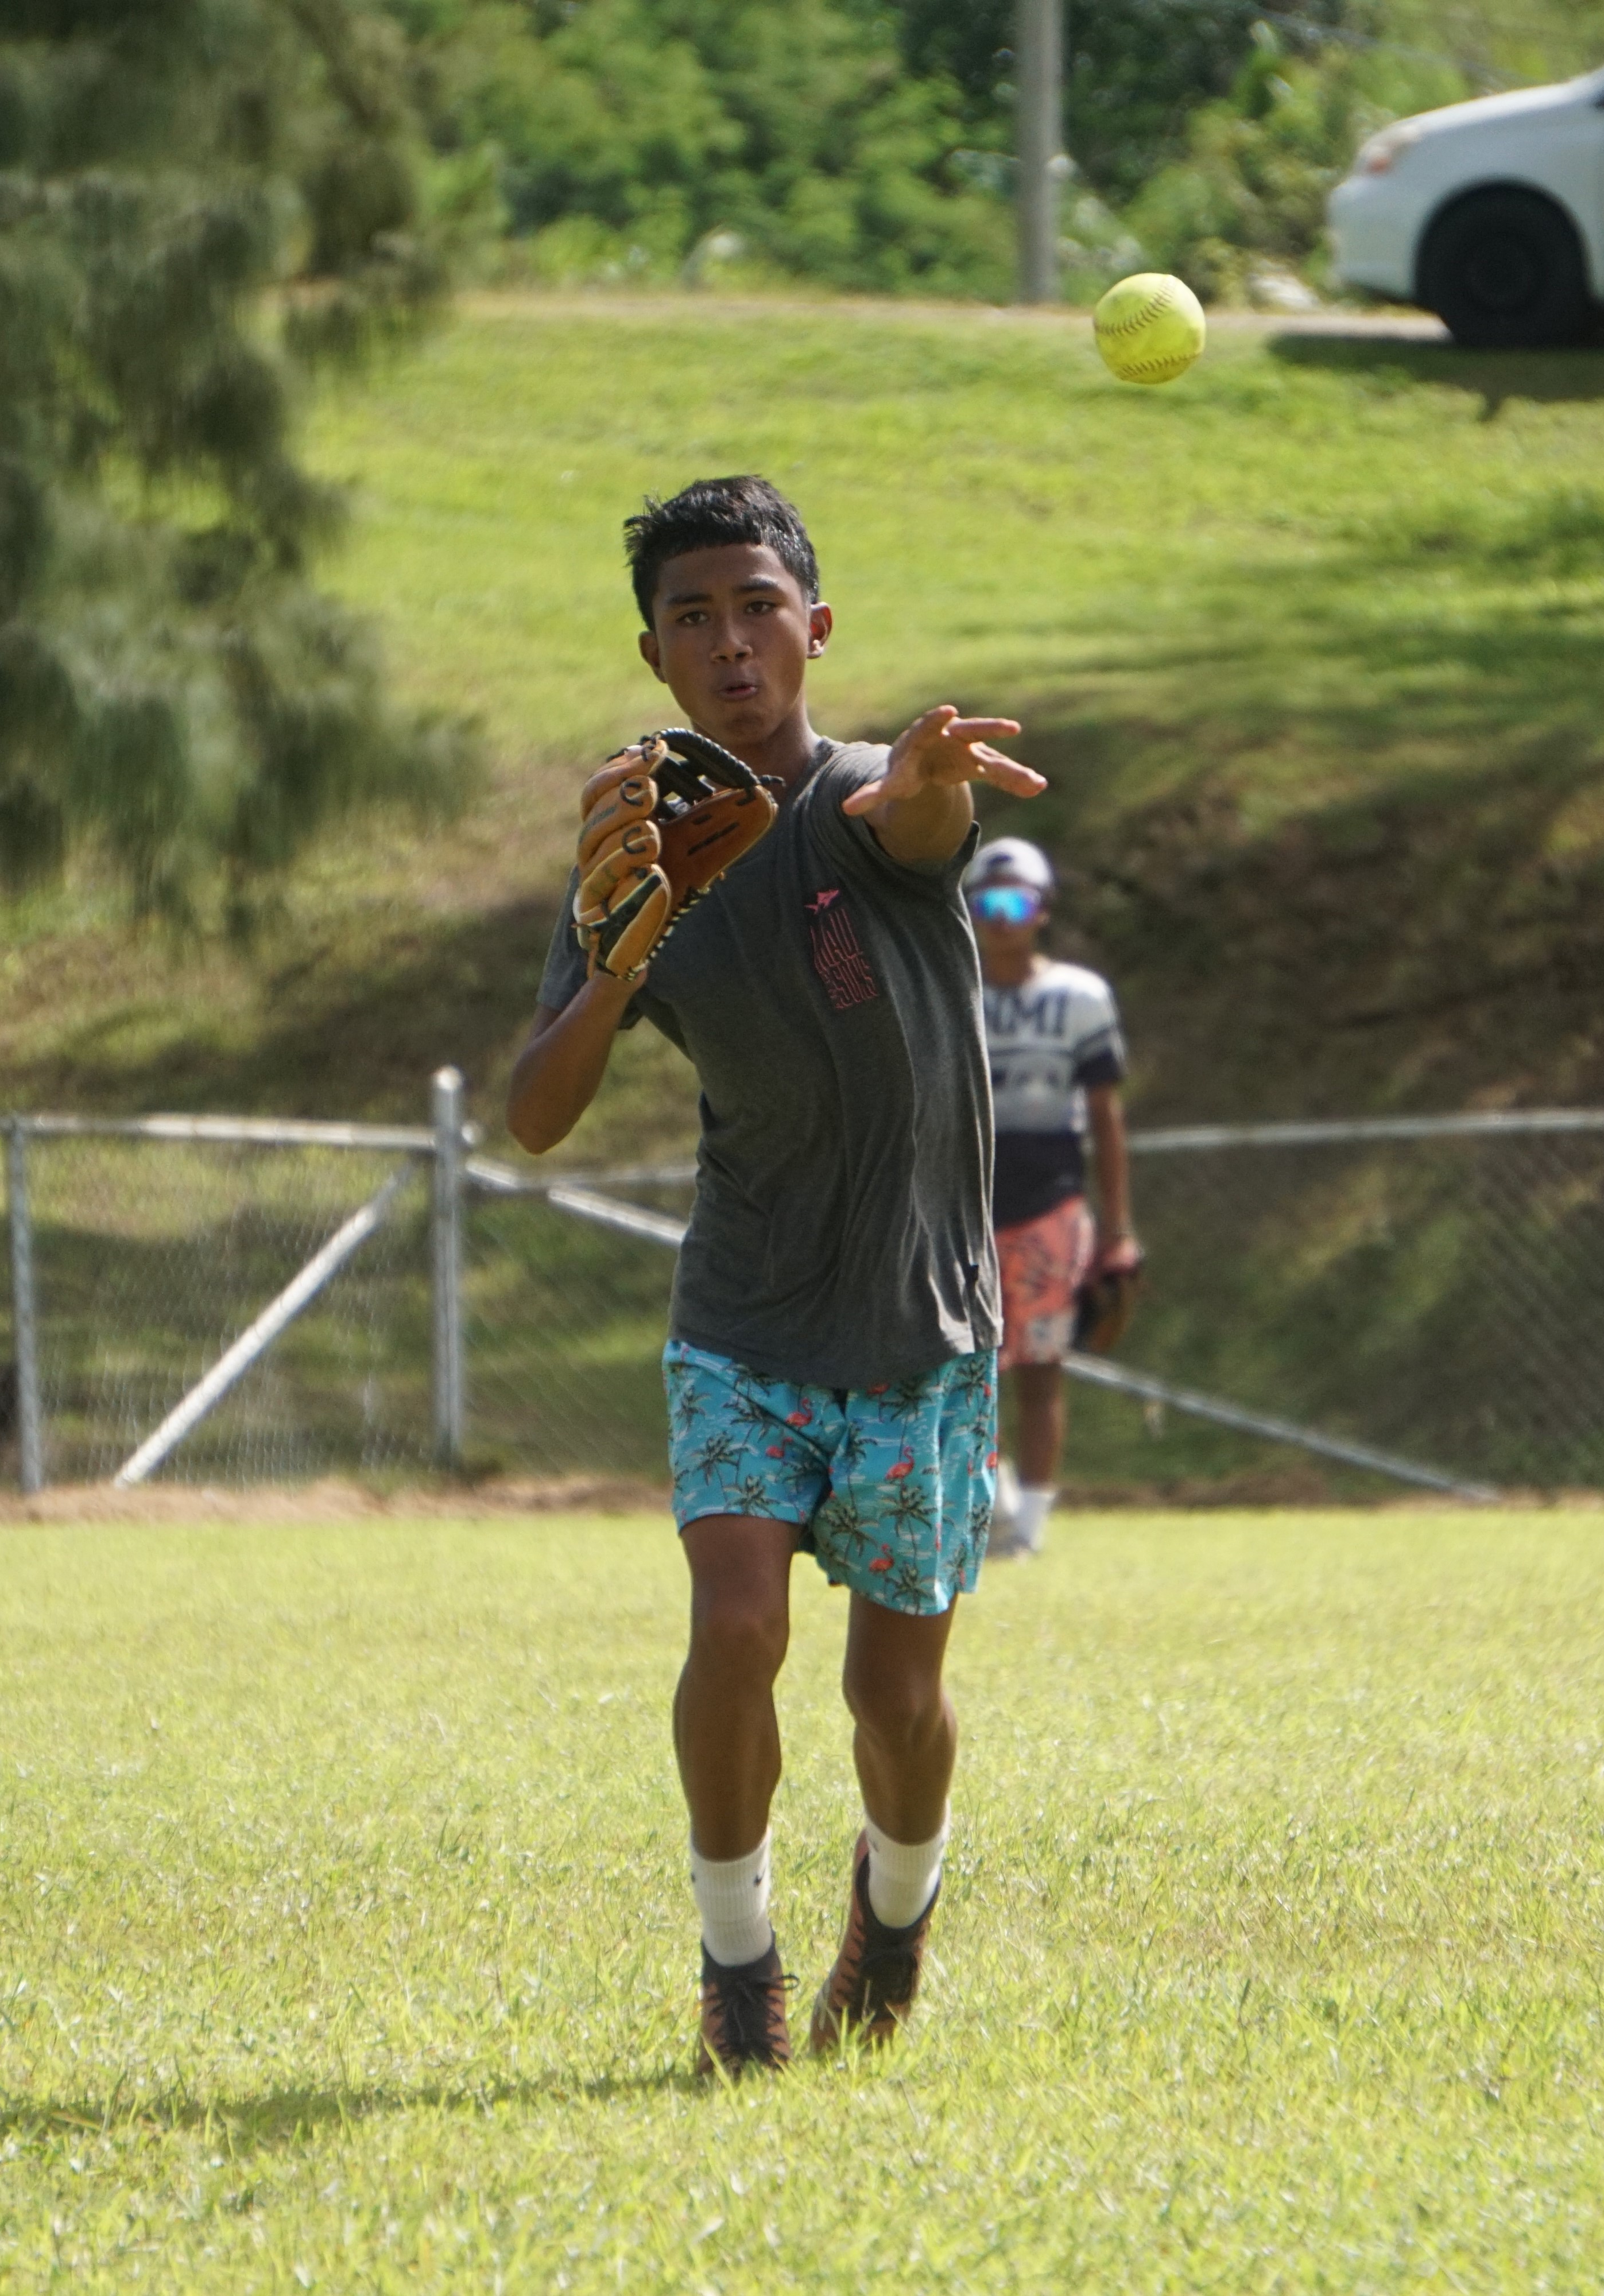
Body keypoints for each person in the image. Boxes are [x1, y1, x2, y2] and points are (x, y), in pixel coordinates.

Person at [506, 475, 1044, 2077]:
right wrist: (616, 955)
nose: (730, 642)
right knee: (734, 1623)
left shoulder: (876, 793)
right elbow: (536, 1114)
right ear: (655, 656)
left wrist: (936, 788)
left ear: (813, 627)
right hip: (742, 1316)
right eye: (693, 617)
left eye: (757, 607)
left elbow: (917, 826)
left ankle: (890, 1916)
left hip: (916, 1327)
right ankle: (735, 1970)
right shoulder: (637, 856)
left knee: (896, 1694)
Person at [968, 836, 1141, 1559]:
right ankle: (991, 1502)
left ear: (1042, 911)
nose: (1002, 918)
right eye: (988, 902)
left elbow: (1105, 1113)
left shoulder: (1078, 997)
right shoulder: (949, 992)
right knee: (962, 1369)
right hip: (960, 1209)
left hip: (1049, 1205)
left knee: (1041, 1368)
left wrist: (1119, 1228)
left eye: (1018, 902)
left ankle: (1029, 1528)